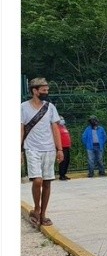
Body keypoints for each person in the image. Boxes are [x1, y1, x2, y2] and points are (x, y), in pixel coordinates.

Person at [21, 77, 63, 228]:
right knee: (37, 180)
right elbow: (20, 129)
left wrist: (59, 149)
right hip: (32, 148)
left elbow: (55, 129)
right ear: (35, 91)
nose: (46, 92)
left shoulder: (50, 107)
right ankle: (36, 208)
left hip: (49, 148)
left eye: (47, 90)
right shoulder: (23, 107)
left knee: (47, 182)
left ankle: (43, 214)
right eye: (44, 90)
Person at [56, 116, 72, 180]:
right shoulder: (57, 128)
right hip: (62, 147)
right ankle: (61, 175)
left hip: (67, 146)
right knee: (63, 161)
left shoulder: (64, 127)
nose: (62, 120)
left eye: (63, 119)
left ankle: (64, 174)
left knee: (67, 160)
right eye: (61, 119)